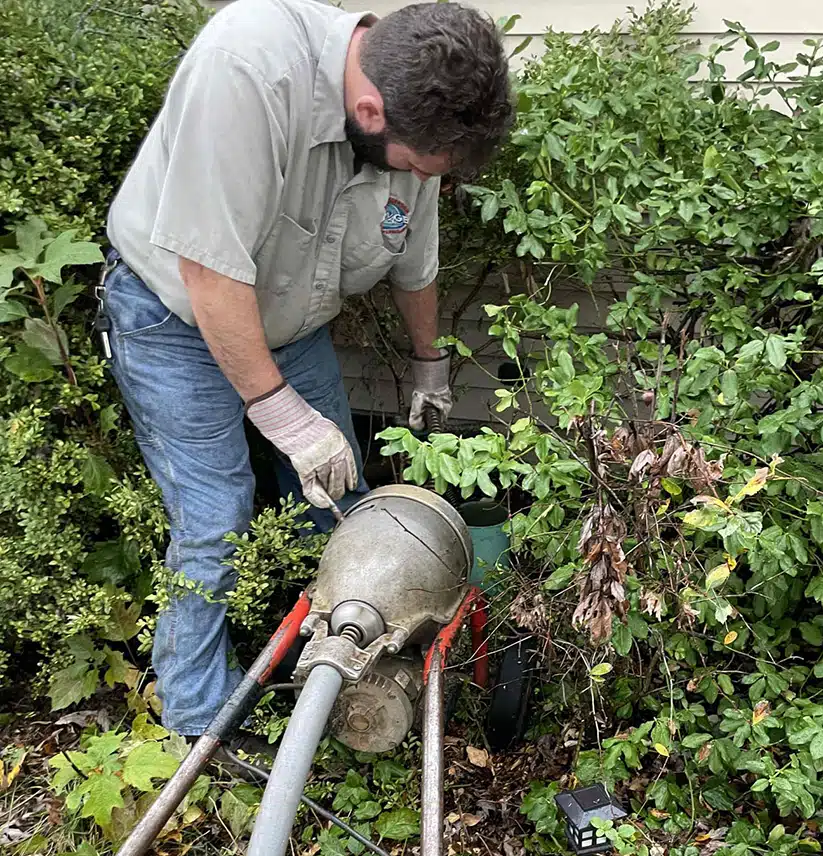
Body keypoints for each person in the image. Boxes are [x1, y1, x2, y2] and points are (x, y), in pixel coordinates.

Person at [99, 0, 513, 745]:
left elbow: (413, 259)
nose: (422, 181)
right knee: (216, 518)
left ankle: (331, 679)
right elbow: (210, 273)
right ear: (368, 110)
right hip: (174, 317)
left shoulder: (416, 119)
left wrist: (430, 366)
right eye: (417, 167)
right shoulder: (248, 68)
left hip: (291, 325)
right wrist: (287, 420)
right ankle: (199, 724)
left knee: (337, 502)